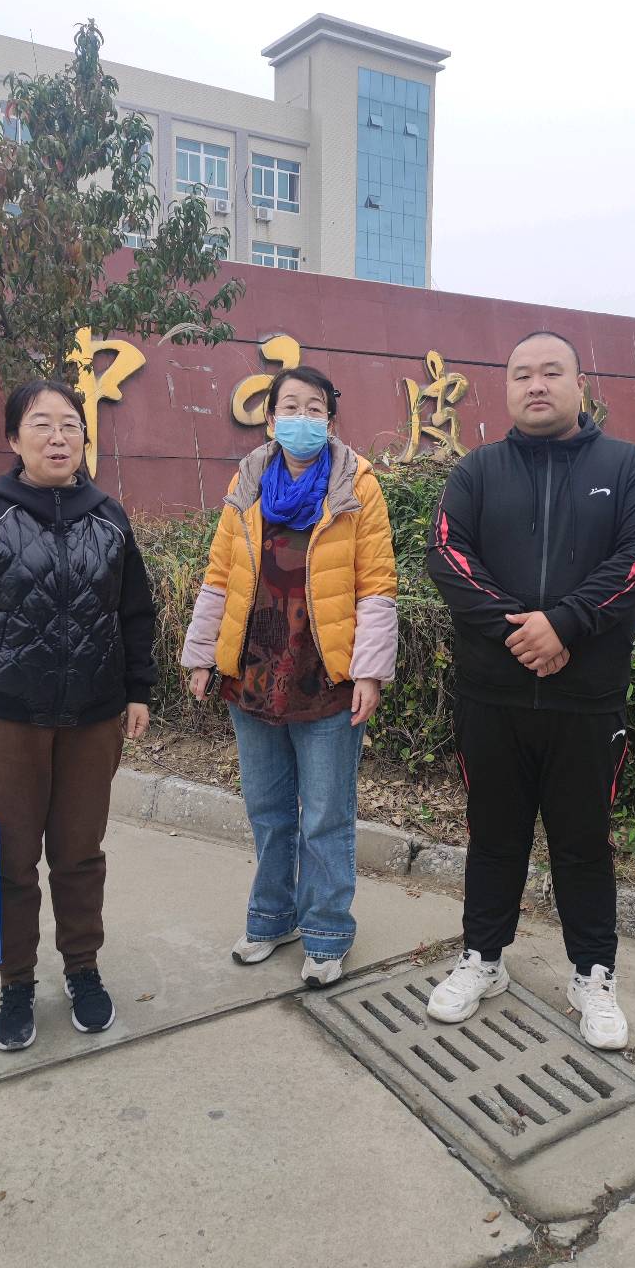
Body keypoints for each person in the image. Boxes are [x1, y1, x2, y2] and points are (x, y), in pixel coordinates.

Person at [424, 331, 635, 1048]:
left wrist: (564, 623)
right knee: (493, 837)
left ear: (578, 385)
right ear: (506, 389)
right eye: (522, 374)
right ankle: (483, 958)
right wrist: (521, 633)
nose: (536, 384)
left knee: (584, 843)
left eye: (551, 372)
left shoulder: (626, 467)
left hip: (586, 702)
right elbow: (446, 553)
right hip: (492, 699)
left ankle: (593, 974)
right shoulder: (478, 471)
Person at [0, 379, 157, 1052]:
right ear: (13, 438)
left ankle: (82, 970)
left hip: (93, 716)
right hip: (4, 714)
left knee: (80, 855)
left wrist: (138, 690)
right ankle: (17, 982)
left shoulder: (109, 516)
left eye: (70, 425)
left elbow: (135, 613)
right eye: (41, 424)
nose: (59, 437)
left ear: (84, 438)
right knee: (12, 859)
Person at [182, 366, 397, 987]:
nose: (302, 418)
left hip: (324, 675)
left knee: (326, 814)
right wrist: (202, 655)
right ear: (271, 418)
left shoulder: (356, 486)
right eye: (290, 407)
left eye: (315, 408)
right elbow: (219, 574)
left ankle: (326, 932)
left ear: (330, 420)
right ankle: (272, 917)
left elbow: (377, 585)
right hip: (254, 670)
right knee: (268, 809)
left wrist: (369, 672)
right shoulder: (247, 482)